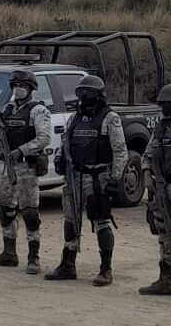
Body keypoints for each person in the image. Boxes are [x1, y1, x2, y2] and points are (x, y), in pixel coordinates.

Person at [46, 75, 126, 286]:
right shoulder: (75, 118)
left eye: (88, 92)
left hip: (98, 177)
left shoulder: (110, 118)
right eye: (80, 92)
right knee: (70, 220)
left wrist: (115, 178)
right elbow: (65, 143)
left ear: (99, 95)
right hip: (75, 176)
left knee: (101, 222)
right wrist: (60, 160)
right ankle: (68, 264)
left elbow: (120, 151)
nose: (83, 96)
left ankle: (105, 269)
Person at [0, 71, 52, 272]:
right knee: (4, 209)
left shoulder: (38, 110)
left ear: (31, 88)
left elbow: (44, 138)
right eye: (15, 85)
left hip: (25, 166)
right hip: (5, 165)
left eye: (22, 86)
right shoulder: (6, 108)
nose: (18, 89)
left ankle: (34, 258)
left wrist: (21, 150)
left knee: (30, 212)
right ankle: (9, 253)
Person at [140, 83, 171, 302]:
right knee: (164, 232)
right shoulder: (161, 126)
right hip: (161, 186)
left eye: (167, 104)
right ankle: (165, 279)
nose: (163, 108)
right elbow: (149, 152)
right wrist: (146, 172)